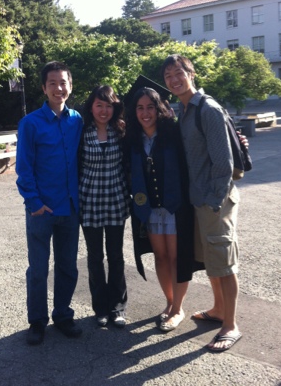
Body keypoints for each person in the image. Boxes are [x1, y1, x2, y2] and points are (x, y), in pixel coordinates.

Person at [161, 54, 242, 352]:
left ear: (191, 73)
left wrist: (212, 202)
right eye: (168, 75)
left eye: (178, 72)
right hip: (199, 199)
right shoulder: (184, 110)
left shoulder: (207, 109)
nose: (174, 78)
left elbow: (223, 164)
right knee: (212, 259)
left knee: (224, 261)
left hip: (213, 200)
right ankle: (219, 309)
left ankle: (231, 325)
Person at [125, 86, 204, 332]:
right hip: (149, 208)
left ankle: (178, 308)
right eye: (140, 107)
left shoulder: (173, 132)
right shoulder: (132, 138)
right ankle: (169, 303)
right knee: (160, 257)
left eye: (150, 106)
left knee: (177, 257)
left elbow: (200, 147)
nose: (145, 112)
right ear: (134, 111)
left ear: (159, 108)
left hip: (175, 205)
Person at [16, 61, 83, 346]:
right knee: (39, 268)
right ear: (44, 88)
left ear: (70, 85)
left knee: (68, 265)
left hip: (70, 207)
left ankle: (63, 314)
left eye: (63, 82)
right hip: (42, 209)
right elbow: (24, 166)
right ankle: (37, 321)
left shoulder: (78, 119)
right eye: (52, 83)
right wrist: (33, 202)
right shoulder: (30, 123)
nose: (59, 88)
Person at [79, 85, 130, 328]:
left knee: (116, 256)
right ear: (91, 107)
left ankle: (117, 308)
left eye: (108, 105)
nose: (104, 110)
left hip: (115, 201)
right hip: (89, 202)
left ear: (114, 107)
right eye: (99, 104)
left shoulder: (120, 131)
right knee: (95, 257)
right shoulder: (82, 132)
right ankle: (100, 307)